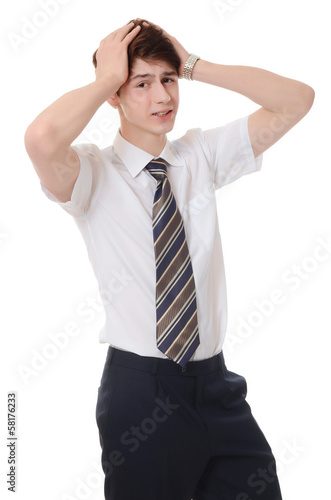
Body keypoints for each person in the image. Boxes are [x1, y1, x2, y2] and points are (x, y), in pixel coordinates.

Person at [24, 18, 314, 500]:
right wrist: (103, 79)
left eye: (168, 79)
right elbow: (40, 140)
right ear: (115, 95)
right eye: (141, 83)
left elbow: (297, 100)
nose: (162, 97)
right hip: (142, 391)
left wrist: (196, 65)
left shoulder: (199, 155)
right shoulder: (89, 173)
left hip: (217, 384)